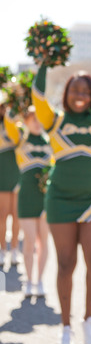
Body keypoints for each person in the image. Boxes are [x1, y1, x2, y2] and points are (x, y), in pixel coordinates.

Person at [32, 66, 91, 344]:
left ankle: (88, 320)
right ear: (67, 93)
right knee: (65, 264)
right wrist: (44, 63)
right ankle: (65, 326)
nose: (80, 95)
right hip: (60, 198)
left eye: (86, 91)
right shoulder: (55, 121)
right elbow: (37, 96)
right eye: (75, 90)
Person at [4, 106, 51, 297]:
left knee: (43, 241)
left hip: (45, 198)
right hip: (26, 196)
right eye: (33, 119)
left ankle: (39, 281)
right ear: (26, 121)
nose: (38, 123)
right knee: (29, 241)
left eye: (40, 119)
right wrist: (16, 101)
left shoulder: (51, 141)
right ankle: (29, 281)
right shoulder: (20, 140)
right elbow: (8, 121)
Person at [0, 102, 20, 267]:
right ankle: (2, 249)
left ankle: (14, 249)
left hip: (17, 174)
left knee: (16, 216)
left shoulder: (16, 126)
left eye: (5, 106)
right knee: (2, 216)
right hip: (2, 175)